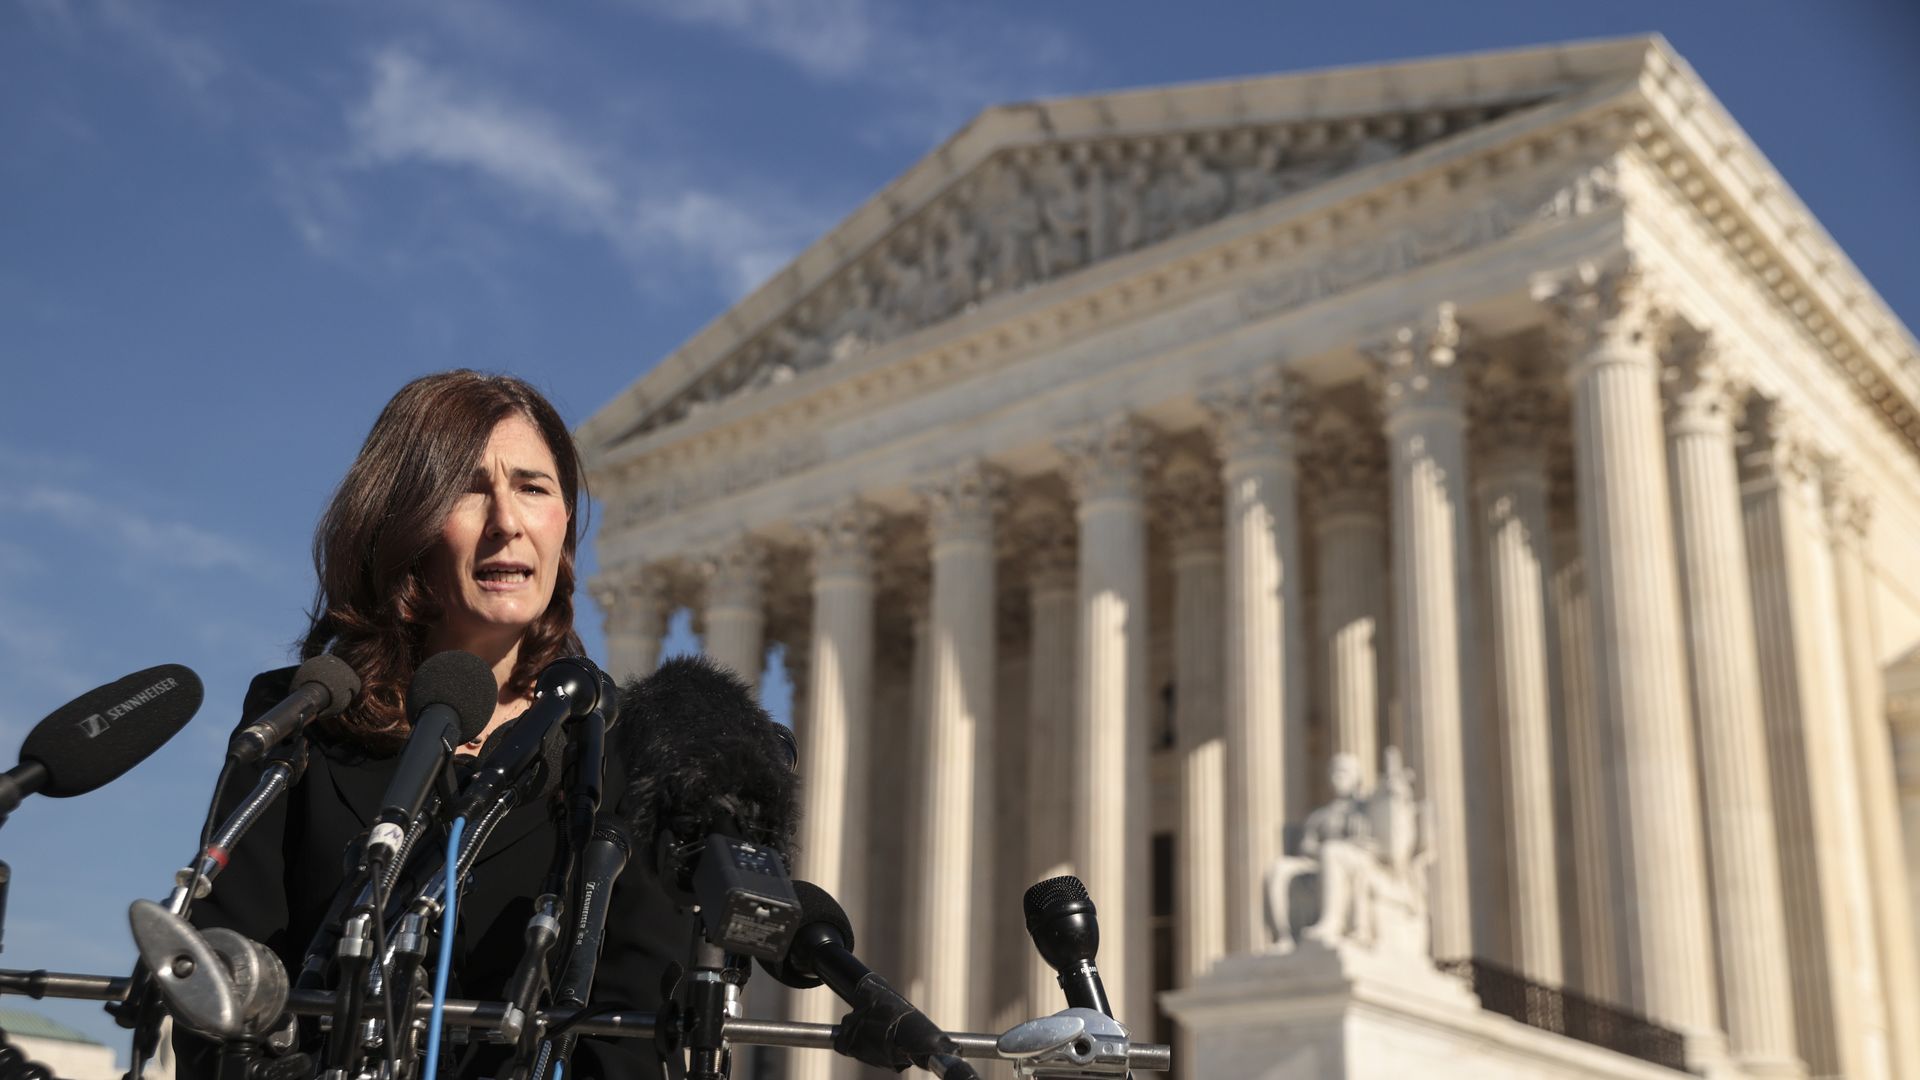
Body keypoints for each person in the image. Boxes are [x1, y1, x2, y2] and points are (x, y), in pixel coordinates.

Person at [177, 371, 690, 1079]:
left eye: (534, 488)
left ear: (565, 522)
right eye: (470, 488)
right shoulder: (301, 718)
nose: (507, 520)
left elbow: (633, 1035)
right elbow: (223, 991)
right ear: (401, 518)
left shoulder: (619, 748)